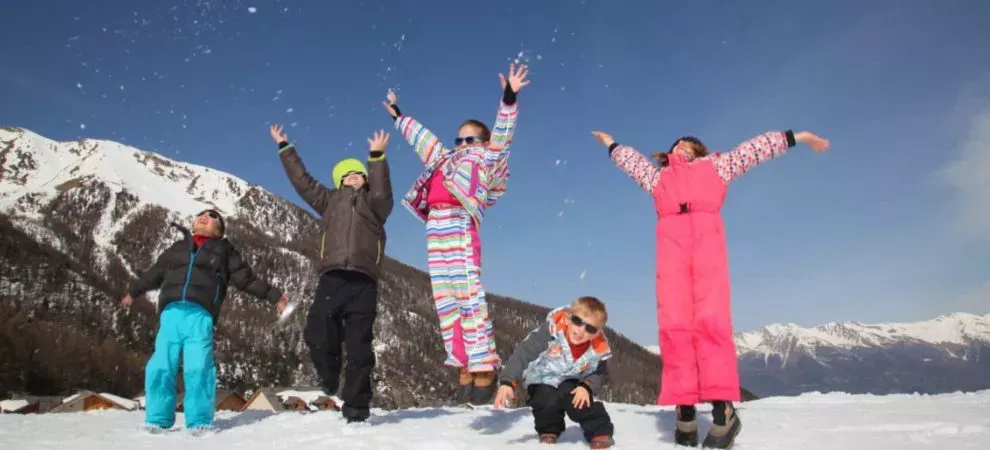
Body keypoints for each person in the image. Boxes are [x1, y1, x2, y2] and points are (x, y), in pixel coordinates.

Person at [591, 128, 830, 448]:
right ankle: (685, 407)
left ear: (700, 151)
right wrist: (611, 143)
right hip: (671, 251)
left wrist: (797, 137)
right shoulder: (657, 178)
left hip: (706, 249)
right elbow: (631, 161)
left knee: (710, 323)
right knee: (675, 326)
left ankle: (723, 411)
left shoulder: (718, 166)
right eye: (676, 144)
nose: (681, 146)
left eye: (688, 144)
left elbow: (755, 148)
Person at [382, 63, 530, 405]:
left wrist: (509, 97)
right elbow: (424, 140)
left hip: (461, 220)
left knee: (467, 293)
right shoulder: (444, 158)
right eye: (459, 139)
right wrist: (399, 116)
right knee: (445, 298)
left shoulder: (488, 156)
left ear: (482, 141)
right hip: (435, 225)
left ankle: (484, 366)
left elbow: (504, 136)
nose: (462, 143)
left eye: (470, 138)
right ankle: (463, 362)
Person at [122, 209, 289, 434]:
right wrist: (133, 291)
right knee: (161, 365)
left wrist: (274, 295)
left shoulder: (224, 250)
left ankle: (199, 420)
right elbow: (153, 274)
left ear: (219, 230)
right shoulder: (177, 248)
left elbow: (246, 280)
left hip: (200, 316)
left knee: (198, 366)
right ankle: (157, 418)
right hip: (171, 314)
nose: (204, 216)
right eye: (200, 214)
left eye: (212, 217)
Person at [270, 124, 394, 423]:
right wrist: (286, 148)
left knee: (359, 348)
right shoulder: (328, 202)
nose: (353, 177)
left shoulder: (375, 205)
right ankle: (330, 377)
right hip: (332, 277)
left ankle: (357, 409)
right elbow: (303, 182)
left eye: (358, 173)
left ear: (365, 179)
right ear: (338, 182)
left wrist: (376, 158)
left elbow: (382, 189)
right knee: (317, 332)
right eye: (346, 175)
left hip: (363, 282)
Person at [493, 296, 615, 449]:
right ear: (569, 317)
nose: (581, 331)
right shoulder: (550, 332)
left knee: (578, 399)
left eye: (590, 328)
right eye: (577, 321)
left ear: (597, 333)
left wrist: (587, 386)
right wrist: (507, 381)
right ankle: (549, 429)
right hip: (542, 377)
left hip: (572, 381)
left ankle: (600, 430)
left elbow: (600, 373)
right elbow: (523, 354)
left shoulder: (598, 350)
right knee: (546, 399)